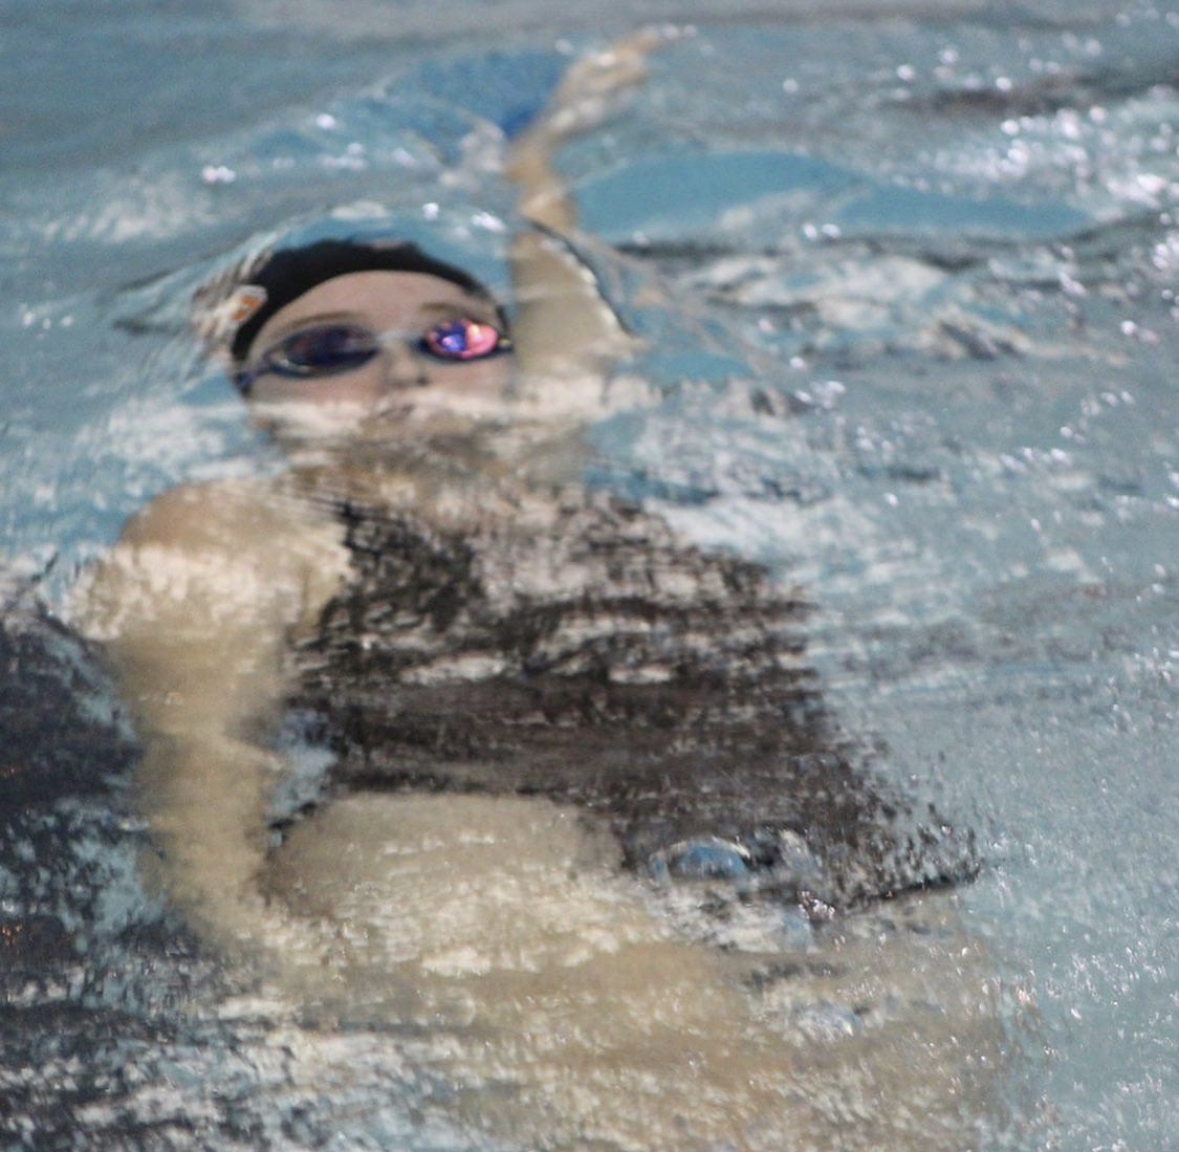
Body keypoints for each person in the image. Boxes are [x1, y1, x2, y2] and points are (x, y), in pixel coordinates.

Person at [76, 31, 999, 1152]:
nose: (404, 366)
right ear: (253, 394)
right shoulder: (241, 519)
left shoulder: (547, 470)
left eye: (451, 335)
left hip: (799, 820)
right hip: (464, 830)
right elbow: (198, 767)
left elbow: (573, 303)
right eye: (328, 350)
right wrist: (259, 961)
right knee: (725, 1129)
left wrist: (539, 152)